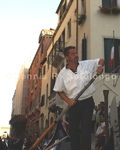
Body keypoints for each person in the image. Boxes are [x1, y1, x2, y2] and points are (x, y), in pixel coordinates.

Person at [53, 46, 104, 150]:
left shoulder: (86, 64)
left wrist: (100, 67)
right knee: (74, 131)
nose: (76, 55)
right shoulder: (62, 74)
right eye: (72, 53)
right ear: (67, 57)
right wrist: (68, 101)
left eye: (76, 52)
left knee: (86, 129)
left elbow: (101, 60)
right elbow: (59, 90)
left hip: (87, 101)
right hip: (73, 104)